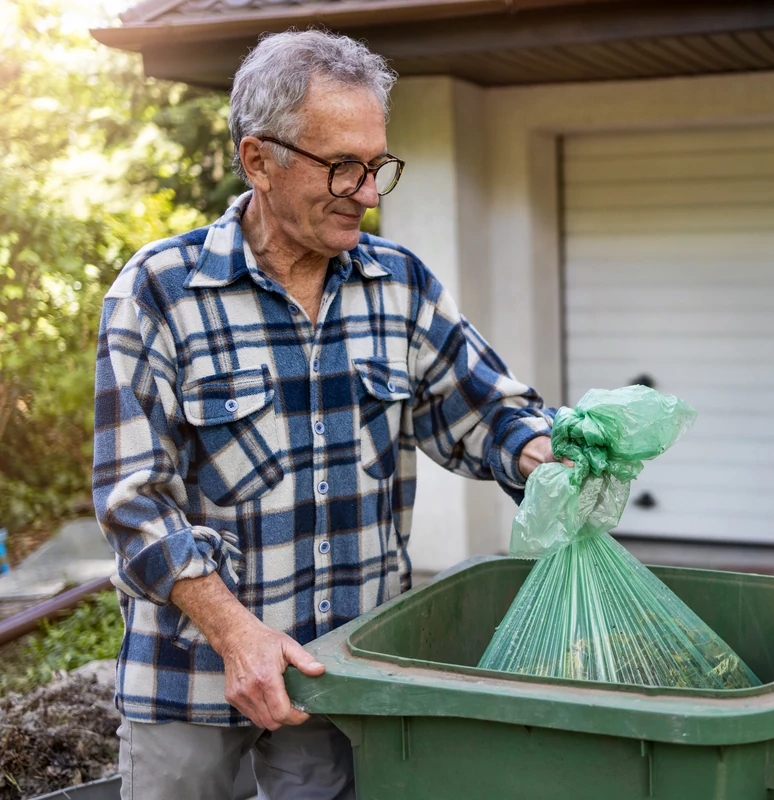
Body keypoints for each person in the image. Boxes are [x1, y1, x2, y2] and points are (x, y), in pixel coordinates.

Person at [92, 29, 559, 799]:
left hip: (342, 684)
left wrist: (549, 453)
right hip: (191, 685)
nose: (369, 192)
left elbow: (487, 413)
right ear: (258, 161)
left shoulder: (400, 285)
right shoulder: (158, 291)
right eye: (342, 166)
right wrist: (238, 636)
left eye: (377, 166)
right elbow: (131, 501)